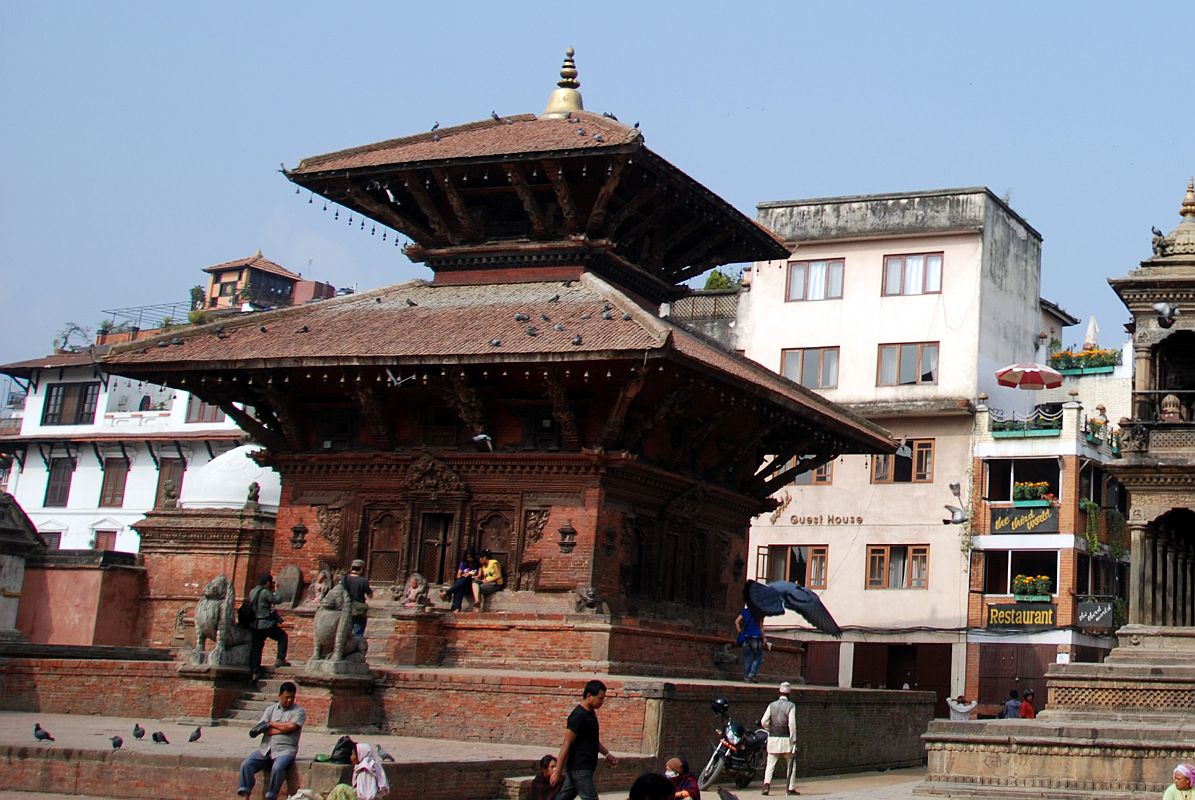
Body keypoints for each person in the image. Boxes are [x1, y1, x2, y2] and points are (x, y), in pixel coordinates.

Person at [551, 679, 619, 800]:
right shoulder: (578, 716)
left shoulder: (591, 714)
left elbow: (592, 740)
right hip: (580, 767)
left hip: (584, 767)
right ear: (588, 695)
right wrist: (557, 772)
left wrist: (607, 754)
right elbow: (566, 744)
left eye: (603, 698)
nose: (602, 702)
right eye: (600, 698)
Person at [237, 681, 306, 800]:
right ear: (280, 695)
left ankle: (271, 796)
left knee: (278, 768)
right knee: (246, 764)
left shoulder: (298, 711)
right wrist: (281, 728)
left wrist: (272, 724)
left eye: (292, 697)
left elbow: (290, 727)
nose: (289, 700)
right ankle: (245, 794)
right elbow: (263, 728)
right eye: (287, 697)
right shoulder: (271, 710)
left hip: (286, 750)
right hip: (266, 749)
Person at [248, 574, 290, 681]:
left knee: (256, 648)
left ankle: (255, 671)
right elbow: (278, 599)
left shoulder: (252, 591)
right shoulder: (265, 592)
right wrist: (277, 590)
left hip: (255, 625)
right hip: (266, 624)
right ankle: (280, 659)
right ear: (267, 582)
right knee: (282, 636)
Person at [761, 681, 799, 796]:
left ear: (779, 692)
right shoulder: (791, 706)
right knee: (791, 763)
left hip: (773, 738)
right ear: (789, 694)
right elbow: (792, 724)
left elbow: (764, 721)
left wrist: (769, 729)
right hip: (786, 739)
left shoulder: (772, 705)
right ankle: (790, 788)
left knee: (770, 763)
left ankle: (766, 785)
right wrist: (794, 739)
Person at [735, 604, 768, 682]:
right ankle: (751, 675)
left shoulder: (745, 611)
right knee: (757, 657)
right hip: (756, 638)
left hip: (746, 637)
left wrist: (740, 633)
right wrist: (764, 638)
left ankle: (746, 677)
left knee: (747, 658)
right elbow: (761, 626)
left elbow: (736, 621)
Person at [343, 559, 374, 637]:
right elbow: (370, 595)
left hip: (345, 607)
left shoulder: (345, 579)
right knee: (358, 633)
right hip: (358, 609)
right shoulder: (363, 581)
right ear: (361, 569)